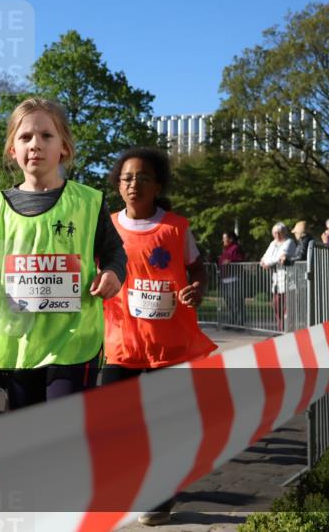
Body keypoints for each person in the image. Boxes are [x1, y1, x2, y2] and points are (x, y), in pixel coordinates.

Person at [0, 97, 126, 411]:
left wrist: (113, 273)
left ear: (63, 146)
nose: (35, 144)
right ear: (13, 149)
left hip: (74, 343)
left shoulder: (88, 203)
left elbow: (114, 252)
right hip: (18, 346)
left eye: (46, 136)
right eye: (25, 137)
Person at [100, 147, 216, 527]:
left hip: (170, 345)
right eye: (127, 178)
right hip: (122, 342)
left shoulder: (176, 227)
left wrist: (195, 289)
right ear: (118, 185)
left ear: (158, 185)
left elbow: (198, 269)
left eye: (143, 178)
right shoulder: (107, 227)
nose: (134, 184)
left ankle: (161, 497)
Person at [260, 222, 296, 331]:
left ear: (284, 233)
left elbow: (279, 257)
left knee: (287, 307)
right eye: (275, 233)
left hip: (287, 278)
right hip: (276, 279)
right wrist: (264, 261)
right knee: (276, 306)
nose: (277, 235)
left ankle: (287, 329)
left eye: (279, 233)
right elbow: (265, 257)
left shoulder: (289, 242)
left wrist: (268, 263)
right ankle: (280, 329)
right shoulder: (273, 243)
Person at [217, 231, 245, 327]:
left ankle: (240, 323)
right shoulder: (225, 249)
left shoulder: (235, 248)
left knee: (236, 302)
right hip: (225, 279)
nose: (223, 240)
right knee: (229, 303)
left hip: (233, 279)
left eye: (224, 238)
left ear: (230, 239)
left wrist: (231, 261)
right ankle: (232, 322)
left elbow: (240, 259)